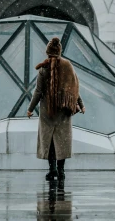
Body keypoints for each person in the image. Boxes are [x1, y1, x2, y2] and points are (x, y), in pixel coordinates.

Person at [27, 36, 85, 183]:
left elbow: (38, 92)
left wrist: (30, 108)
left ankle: (51, 169)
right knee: (62, 140)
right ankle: (61, 170)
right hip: (63, 110)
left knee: (50, 140)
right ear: (59, 51)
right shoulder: (68, 66)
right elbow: (74, 88)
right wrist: (81, 104)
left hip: (47, 110)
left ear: (48, 52)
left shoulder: (43, 68)